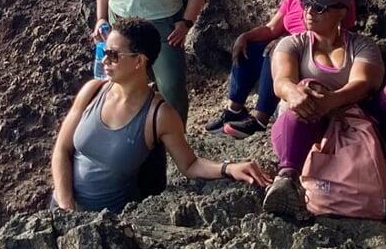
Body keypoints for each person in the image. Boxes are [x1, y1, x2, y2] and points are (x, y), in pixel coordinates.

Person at [53, 18, 271, 211]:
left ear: (139, 61)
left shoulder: (159, 115)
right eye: (103, 51)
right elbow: (62, 150)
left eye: (113, 55)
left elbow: (190, 165)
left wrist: (228, 168)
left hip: (106, 228)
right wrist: (65, 207)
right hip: (61, 211)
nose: (104, 60)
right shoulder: (92, 91)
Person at [260, 0, 386, 218]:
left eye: (319, 7)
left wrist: (331, 100)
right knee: (306, 87)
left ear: (341, 12)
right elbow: (282, 81)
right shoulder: (292, 44)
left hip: (355, 120)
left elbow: (364, 83)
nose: (309, 12)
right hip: (307, 122)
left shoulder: (362, 45)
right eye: (306, 5)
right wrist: (295, 93)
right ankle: (287, 179)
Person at [205, 0, 344, 139]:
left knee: (278, 49)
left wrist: (285, 42)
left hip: (312, 50)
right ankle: (234, 109)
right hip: (290, 44)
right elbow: (272, 28)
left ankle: (260, 118)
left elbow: (335, 30)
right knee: (251, 45)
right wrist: (246, 36)